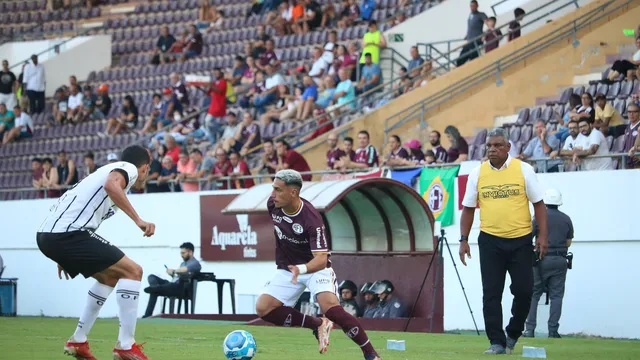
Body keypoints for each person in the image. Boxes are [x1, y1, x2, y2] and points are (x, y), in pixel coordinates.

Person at [36, 145, 155, 360]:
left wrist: (61, 253)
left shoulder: (102, 173)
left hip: (54, 235)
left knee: (109, 275)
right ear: (145, 167)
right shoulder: (127, 168)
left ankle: (78, 340)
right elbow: (112, 185)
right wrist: (138, 220)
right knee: (133, 271)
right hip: (67, 234)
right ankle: (125, 346)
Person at [256, 169, 381, 360]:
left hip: (314, 268)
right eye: (273, 188)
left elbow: (322, 259)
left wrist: (303, 269)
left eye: (278, 189)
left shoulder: (312, 220)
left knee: (332, 309)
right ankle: (317, 324)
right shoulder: (273, 204)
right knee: (263, 308)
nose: (273, 194)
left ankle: (370, 353)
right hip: (288, 268)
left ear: (293, 192)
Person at [459, 127, 548, 355]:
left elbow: (539, 205)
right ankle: (496, 342)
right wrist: (463, 239)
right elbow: (468, 209)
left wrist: (542, 237)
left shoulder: (524, 170)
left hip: (520, 241)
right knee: (491, 293)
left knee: (524, 291)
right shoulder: (477, 173)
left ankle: (513, 333)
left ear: (508, 147)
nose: (492, 149)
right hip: (489, 241)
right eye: (489, 145)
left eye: (498, 145)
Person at [523, 189, 573, 339]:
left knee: (534, 294)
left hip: (541, 259)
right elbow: (568, 242)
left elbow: (529, 237)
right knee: (557, 296)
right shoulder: (566, 219)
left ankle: (530, 329)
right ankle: (553, 331)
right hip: (560, 260)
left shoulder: (539, 218)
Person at [143, 242, 202, 318]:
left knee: (155, 291)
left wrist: (174, 271)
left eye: (183, 253)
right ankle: (156, 287)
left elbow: (185, 270)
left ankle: (147, 314)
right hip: (172, 284)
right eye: (181, 253)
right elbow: (177, 275)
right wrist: (172, 274)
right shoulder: (182, 263)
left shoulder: (195, 263)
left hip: (180, 287)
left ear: (190, 252)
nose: (181, 255)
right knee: (151, 277)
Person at [456, 1, 488, 67]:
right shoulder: (470, 15)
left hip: (476, 41)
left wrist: (485, 34)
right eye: (471, 6)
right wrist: (467, 35)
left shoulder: (481, 14)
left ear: (477, 6)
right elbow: (471, 27)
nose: (472, 8)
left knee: (473, 58)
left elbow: (488, 23)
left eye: (473, 6)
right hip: (469, 40)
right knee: (460, 59)